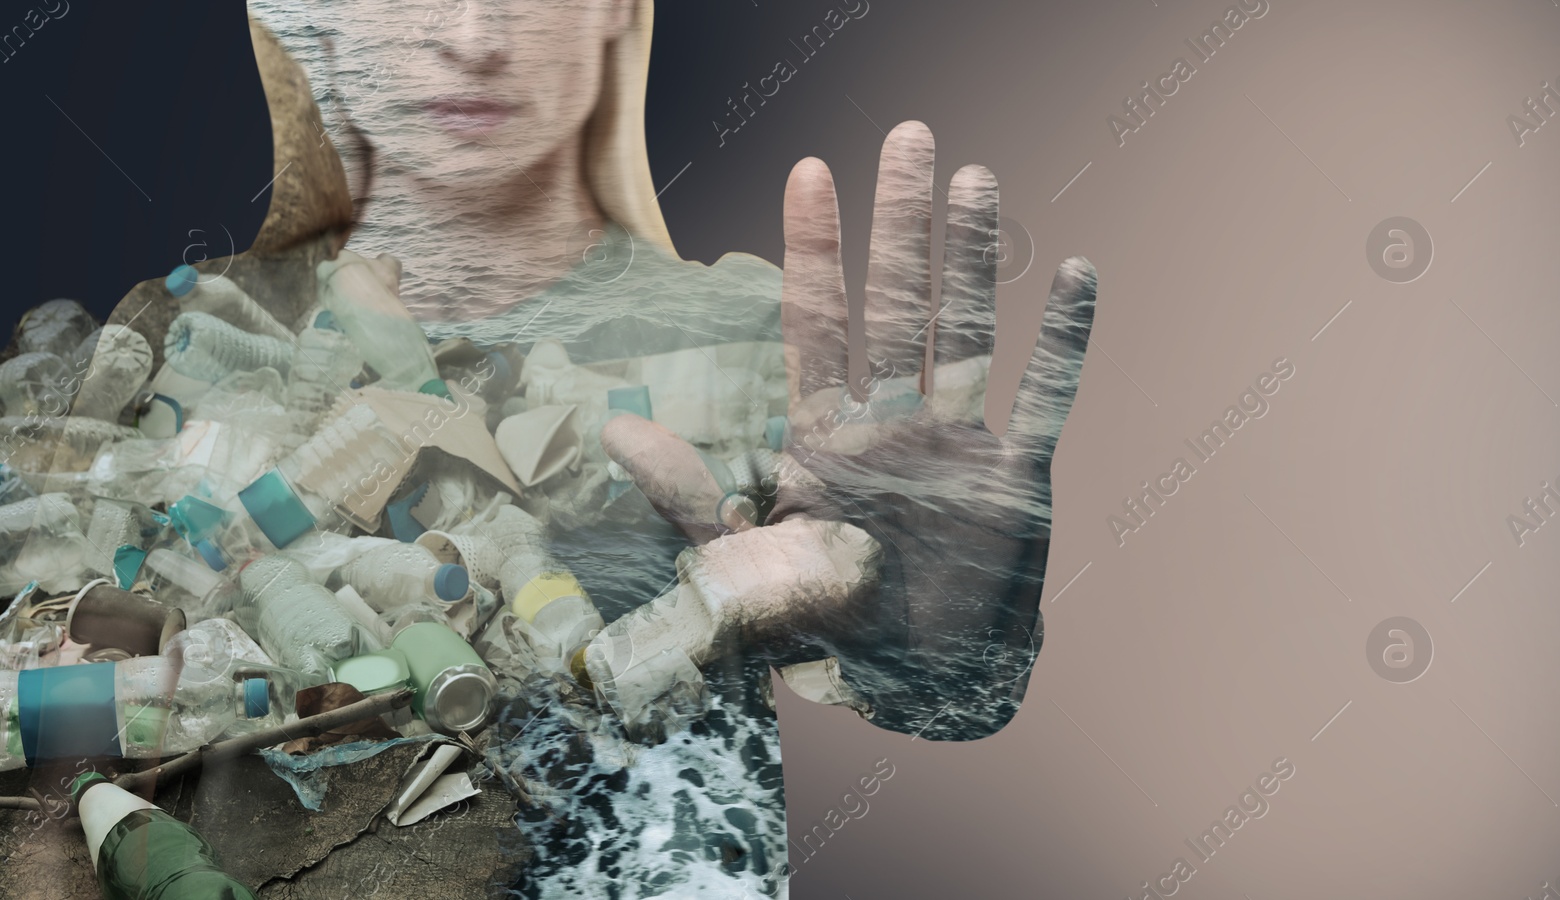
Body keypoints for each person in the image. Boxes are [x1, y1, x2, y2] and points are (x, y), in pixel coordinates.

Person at [44, 0, 1097, 894]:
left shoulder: (766, 346)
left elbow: (956, 707)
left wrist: (938, 641)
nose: (468, 34)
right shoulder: (170, 334)